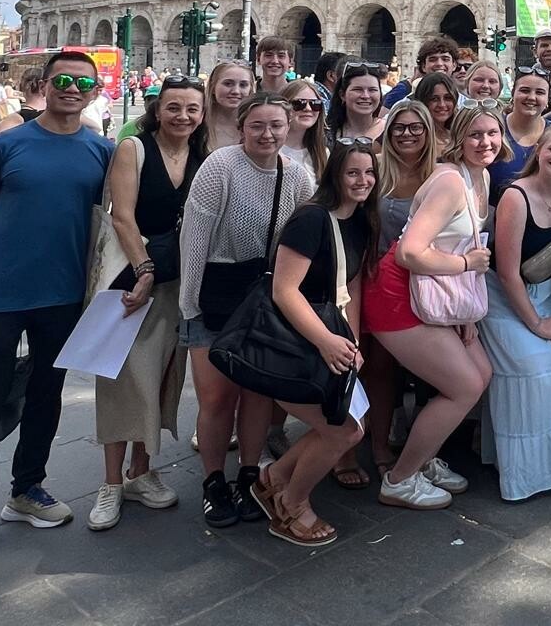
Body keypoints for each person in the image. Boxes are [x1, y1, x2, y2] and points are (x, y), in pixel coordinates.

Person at [0, 52, 114, 562]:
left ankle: (27, 488)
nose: (71, 88)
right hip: (2, 294)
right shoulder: (5, 146)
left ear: (94, 91)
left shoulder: (102, 151)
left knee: (47, 394)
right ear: (46, 84)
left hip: (63, 295)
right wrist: (3, 264)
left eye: (83, 82)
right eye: (62, 79)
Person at [179, 92, 316, 528]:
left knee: (257, 391)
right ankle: (214, 481)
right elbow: (195, 238)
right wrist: (190, 302)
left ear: (288, 126)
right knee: (218, 397)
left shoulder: (297, 177)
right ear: (241, 129)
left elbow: (305, 240)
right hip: (214, 296)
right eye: (256, 125)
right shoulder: (220, 166)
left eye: (276, 125)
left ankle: (249, 475)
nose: (267, 133)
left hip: (265, 299)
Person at [88, 74, 207, 531]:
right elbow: (122, 216)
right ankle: (110, 483)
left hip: (180, 281)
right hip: (132, 279)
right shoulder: (133, 148)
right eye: (174, 107)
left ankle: (141, 471)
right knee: (122, 376)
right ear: (157, 109)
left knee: (163, 377)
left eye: (192, 109)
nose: (183, 116)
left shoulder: (203, 157)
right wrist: (144, 269)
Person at [364, 105, 497, 509]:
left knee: (482, 373)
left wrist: (464, 314)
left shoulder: (482, 176)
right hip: (397, 291)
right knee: (464, 386)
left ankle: (421, 457)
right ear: (458, 137)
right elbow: (409, 252)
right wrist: (465, 265)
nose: (486, 142)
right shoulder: (450, 183)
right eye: (475, 135)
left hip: (437, 291)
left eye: (493, 133)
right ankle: (400, 479)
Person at [254, 141, 374, 546]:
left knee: (347, 425)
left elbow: (351, 285)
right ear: (335, 175)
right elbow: (284, 290)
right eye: (352, 173)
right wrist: (326, 342)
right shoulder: (310, 219)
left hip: (333, 339)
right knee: (344, 431)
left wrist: (352, 340)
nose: (362, 181)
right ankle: (291, 504)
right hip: (298, 342)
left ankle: (274, 478)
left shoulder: (358, 219)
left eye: (369, 172)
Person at [481, 125, 551, 499]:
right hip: (503, 298)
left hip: (546, 294)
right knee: (533, 366)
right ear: (539, 151)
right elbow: (507, 272)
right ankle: (523, 473)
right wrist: (538, 324)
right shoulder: (515, 196)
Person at [359, 99, 437, 474]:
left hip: (426, 282)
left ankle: (421, 443)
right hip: (376, 279)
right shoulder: (375, 170)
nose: (407, 134)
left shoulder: (439, 175)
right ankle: (376, 442)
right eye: (399, 128)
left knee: (422, 371)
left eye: (415, 127)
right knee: (378, 367)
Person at [488, 67, 550, 198]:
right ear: (512, 93)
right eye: (524, 90)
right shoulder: (493, 129)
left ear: (548, 99)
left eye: (540, 92)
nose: (532, 97)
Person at [279, 79, 330, 181]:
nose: (308, 109)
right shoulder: (269, 149)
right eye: (299, 103)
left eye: (315, 104)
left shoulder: (324, 153)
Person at [204, 60, 255, 152]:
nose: (236, 91)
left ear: (250, 89)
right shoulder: (198, 126)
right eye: (228, 84)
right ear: (213, 87)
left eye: (243, 85)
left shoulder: (257, 126)